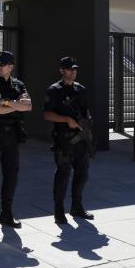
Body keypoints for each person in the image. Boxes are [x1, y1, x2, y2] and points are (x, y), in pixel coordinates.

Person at [0, 50, 32, 234]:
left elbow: (28, 106)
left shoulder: (19, 84)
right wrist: (13, 105)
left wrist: (6, 103)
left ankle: (6, 213)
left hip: (12, 137)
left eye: (2, 64)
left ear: (11, 66)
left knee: (11, 176)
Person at [43, 56, 94, 224]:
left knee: (82, 174)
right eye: (70, 69)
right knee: (63, 175)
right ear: (61, 70)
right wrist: (67, 120)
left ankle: (77, 207)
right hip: (64, 140)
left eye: (75, 69)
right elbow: (47, 114)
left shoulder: (81, 89)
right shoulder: (54, 90)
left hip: (81, 139)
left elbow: (86, 111)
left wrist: (87, 121)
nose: (73, 72)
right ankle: (59, 210)